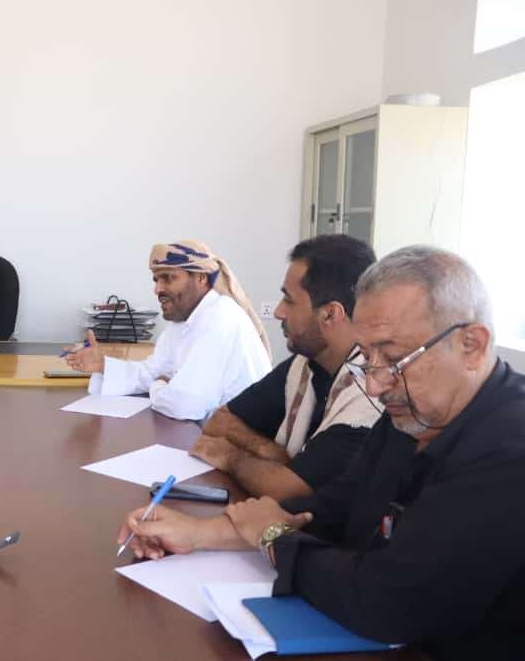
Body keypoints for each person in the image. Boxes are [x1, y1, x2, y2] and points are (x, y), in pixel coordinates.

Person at [117, 246, 525, 660]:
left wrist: (273, 538)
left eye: (394, 359)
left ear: (471, 345)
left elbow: (388, 601)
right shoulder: (414, 414)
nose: (376, 385)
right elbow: (335, 508)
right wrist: (199, 533)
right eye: (368, 358)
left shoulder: (509, 448)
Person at [191, 235, 380, 500]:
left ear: (330, 314)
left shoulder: (371, 392)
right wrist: (269, 451)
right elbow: (219, 421)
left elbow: (287, 490)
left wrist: (229, 455)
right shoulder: (305, 364)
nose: (278, 312)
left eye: (289, 301)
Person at [66, 239, 271, 420]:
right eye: (156, 280)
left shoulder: (221, 316)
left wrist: (159, 386)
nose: (157, 289)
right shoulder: (183, 319)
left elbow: (184, 405)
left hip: (238, 443)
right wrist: (104, 365)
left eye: (168, 278)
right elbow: (154, 371)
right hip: (203, 433)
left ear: (201, 278)